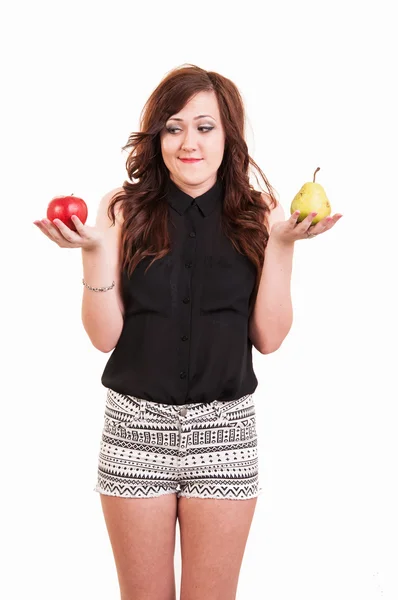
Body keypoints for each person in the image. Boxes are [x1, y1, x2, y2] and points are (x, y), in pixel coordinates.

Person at [33, 64, 342, 600]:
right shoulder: (121, 209)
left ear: (229, 135)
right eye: (173, 128)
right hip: (135, 432)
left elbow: (268, 337)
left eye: (205, 127)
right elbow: (105, 337)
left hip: (225, 434)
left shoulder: (259, 213)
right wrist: (94, 254)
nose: (188, 142)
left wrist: (284, 245)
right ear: (158, 139)